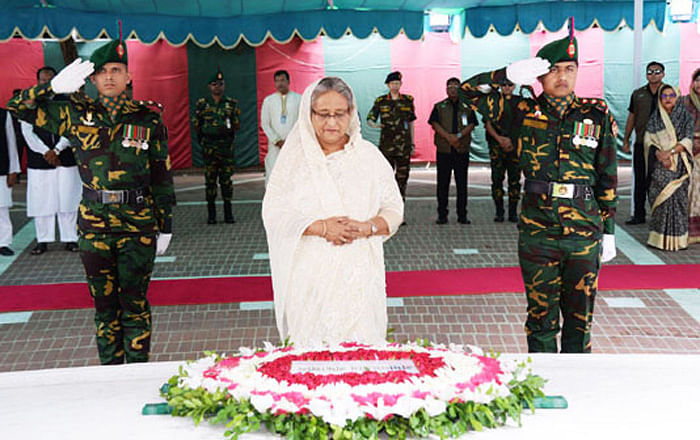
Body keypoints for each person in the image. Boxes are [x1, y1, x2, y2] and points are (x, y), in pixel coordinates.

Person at [7, 38, 175, 365]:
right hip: (94, 226)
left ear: (129, 77)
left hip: (137, 225)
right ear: (93, 79)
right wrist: (50, 88)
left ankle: (136, 374)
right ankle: (110, 374)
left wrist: (165, 224)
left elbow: (160, 176)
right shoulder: (74, 113)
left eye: (116, 70)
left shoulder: (148, 119)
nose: (109, 76)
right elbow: (18, 107)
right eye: (102, 71)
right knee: (104, 308)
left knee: (136, 304)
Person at [461, 29, 618, 353]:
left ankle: (579, 389)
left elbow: (607, 176)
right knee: (540, 320)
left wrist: (609, 231)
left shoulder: (596, 114)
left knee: (580, 320)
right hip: (538, 232)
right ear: (540, 73)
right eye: (554, 69)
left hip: (583, 232)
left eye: (569, 69)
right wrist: (505, 74)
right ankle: (544, 388)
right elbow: (465, 92)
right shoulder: (520, 111)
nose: (562, 77)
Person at [262, 77, 403, 347]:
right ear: (309, 114)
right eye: (323, 114)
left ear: (351, 113)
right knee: (310, 360)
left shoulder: (368, 156)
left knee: (362, 360)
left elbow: (394, 208)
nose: (331, 123)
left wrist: (368, 226)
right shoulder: (293, 160)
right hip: (310, 280)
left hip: (359, 279)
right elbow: (273, 211)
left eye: (339, 114)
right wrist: (321, 227)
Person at [21, 66, 81, 255]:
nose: (46, 83)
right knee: (42, 201)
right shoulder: (30, 102)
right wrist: (46, 152)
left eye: (50, 79)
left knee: (68, 200)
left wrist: (56, 150)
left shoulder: (67, 102)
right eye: (43, 80)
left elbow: (72, 129)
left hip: (65, 158)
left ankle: (70, 238)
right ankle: (43, 240)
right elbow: (26, 131)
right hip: (40, 161)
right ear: (37, 81)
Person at [645, 84, 693, 251]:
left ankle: (678, 240)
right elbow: (648, 140)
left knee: (678, 200)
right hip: (660, 164)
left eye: (671, 95)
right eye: (664, 96)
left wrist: (670, 153)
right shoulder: (655, 117)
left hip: (680, 163)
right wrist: (659, 154)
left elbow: (688, 140)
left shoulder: (685, 116)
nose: (667, 99)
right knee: (660, 198)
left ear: (677, 97)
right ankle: (658, 239)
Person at [193, 69, 240, 224]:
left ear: (224, 85)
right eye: (214, 84)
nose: (217, 87)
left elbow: (236, 126)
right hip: (209, 149)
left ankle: (228, 213)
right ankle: (211, 214)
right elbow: (197, 126)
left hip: (226, 148)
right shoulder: (202, 104)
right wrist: (206, 140)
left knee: (226, 181)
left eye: (220, 84)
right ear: (209, 86)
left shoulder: (231, 104)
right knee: (210, 182)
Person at [428, 77, 478, 224]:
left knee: (462, 184)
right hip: (444, 150)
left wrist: (459, 136)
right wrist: (448, 137)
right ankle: (442, 215)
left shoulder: (468, 107)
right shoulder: (439, 106)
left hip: (461, 150)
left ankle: (462, 215)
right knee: (442, 184)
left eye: (455, 86)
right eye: (449, 87)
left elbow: (472, 124)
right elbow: (434, 124)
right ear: (446, 89)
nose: (452, 89)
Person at [622, 62, 666, 225]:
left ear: (663, 74)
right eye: (650, 72)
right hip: (641, 143)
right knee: (640, 180)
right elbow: (631, 118)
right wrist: (626, 140)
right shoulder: (638, 94)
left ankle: (660, 215)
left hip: (663, 146)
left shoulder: (669, 93)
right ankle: (639, 214)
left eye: (657, 72)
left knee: (660, 180)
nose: (653, 75)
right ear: (646, 75)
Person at [367, 71, 417, 206]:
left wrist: (412, 143)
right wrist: (376, 125)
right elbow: (370, 118)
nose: (395, 86)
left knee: (402, 179)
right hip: (387, 146)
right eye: (392, 83)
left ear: (400, 84)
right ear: (388, 85)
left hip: (403, 146)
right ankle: (387, 209)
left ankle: (399, 210)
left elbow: (412, 122)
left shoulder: (408, 100)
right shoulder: (381, 101)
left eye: (397, 83)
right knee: (386, 178)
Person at [483, 79, 528, 223]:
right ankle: (499, 211)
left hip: (515, 147)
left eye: (510, 85)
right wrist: (499, 139)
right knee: (497, 180)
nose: (507, 88)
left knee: (514, 180)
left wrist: (513, 141)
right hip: (497, 146)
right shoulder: (492, 101)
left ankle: (513, 212)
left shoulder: (522, 102)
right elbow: (488, 123)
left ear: (514, 86)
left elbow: (525, 124)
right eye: (503, 85)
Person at [261, 70, 301, 187]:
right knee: (273, 176)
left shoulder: (299, 99)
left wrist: (291, 140)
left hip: (293, 145)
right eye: (277, 81)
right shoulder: (269, 101)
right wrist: (276, 140)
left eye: (282, 80)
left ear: (288, 81)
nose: (280, 84)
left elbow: (301, 123)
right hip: (275, 147)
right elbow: (265, 124)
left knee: (293, 176)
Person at [681, 69, 700, 244]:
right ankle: (690, 231)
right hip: (688, 152)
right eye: (697, 80)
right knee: (690, 191)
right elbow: (678, 125)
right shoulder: (684, 102)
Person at [0, 107, 20, 256]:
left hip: (1, 169)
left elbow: (11, 141)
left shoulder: (3, 114)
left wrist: (13, 169)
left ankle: (3, 243)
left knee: (2, 209)